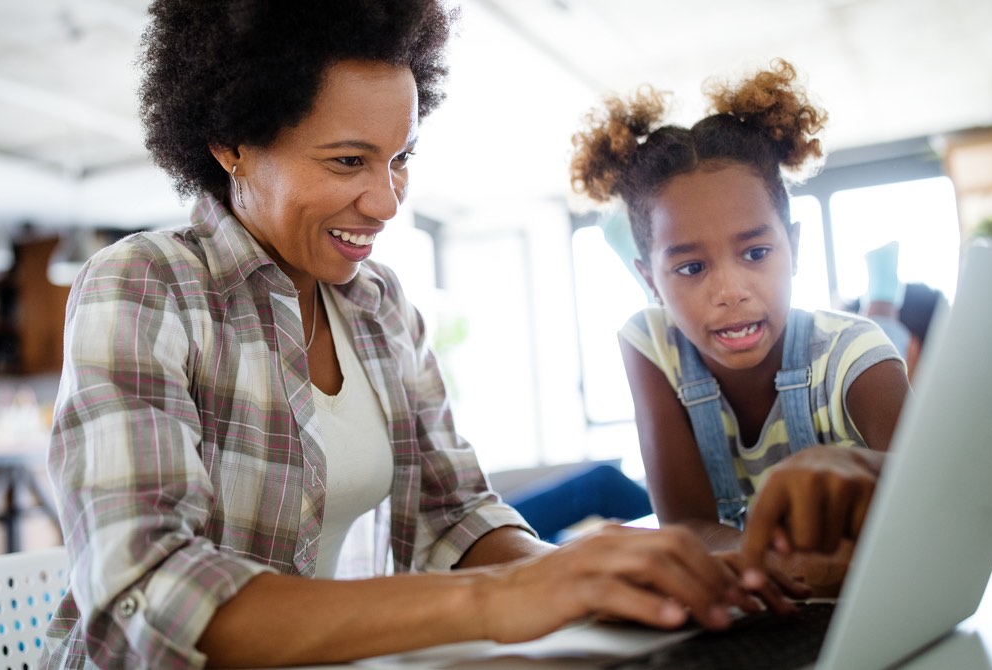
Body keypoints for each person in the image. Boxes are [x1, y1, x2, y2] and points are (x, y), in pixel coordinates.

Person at [40, 3, 797, 668]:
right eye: (348, 161)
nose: (386, 200)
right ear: (231, 141)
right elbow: (148, 588)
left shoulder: (378, 308)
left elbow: (453, 514)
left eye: (400, 159)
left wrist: (584, 578)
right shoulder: (145, 286)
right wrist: (497, 600)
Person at [568, 59, 912, 594]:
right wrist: (771, 563)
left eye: (755, 252)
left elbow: (938, 496)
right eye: (690, 268)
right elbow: (685, 525)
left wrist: (862, 471)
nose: (730, 290)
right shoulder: (651, 346)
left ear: (793, 248)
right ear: (649, 281)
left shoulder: (855, 353)